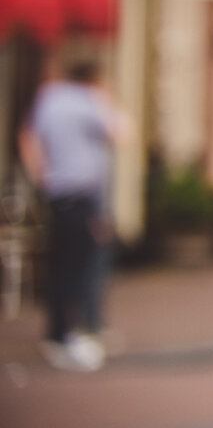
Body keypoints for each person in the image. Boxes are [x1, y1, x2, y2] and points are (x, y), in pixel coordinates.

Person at [18, 54, 130, 371]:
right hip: (81, 196)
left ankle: (59, 335)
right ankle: (70, 336)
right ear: (93, 80)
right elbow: (122, 132)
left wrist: (42, 175)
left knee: (60, 266)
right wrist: (105, 99)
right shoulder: (86, 101)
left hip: (58, 194)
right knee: (79, 266)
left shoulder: (50, 98)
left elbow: (27, 137)